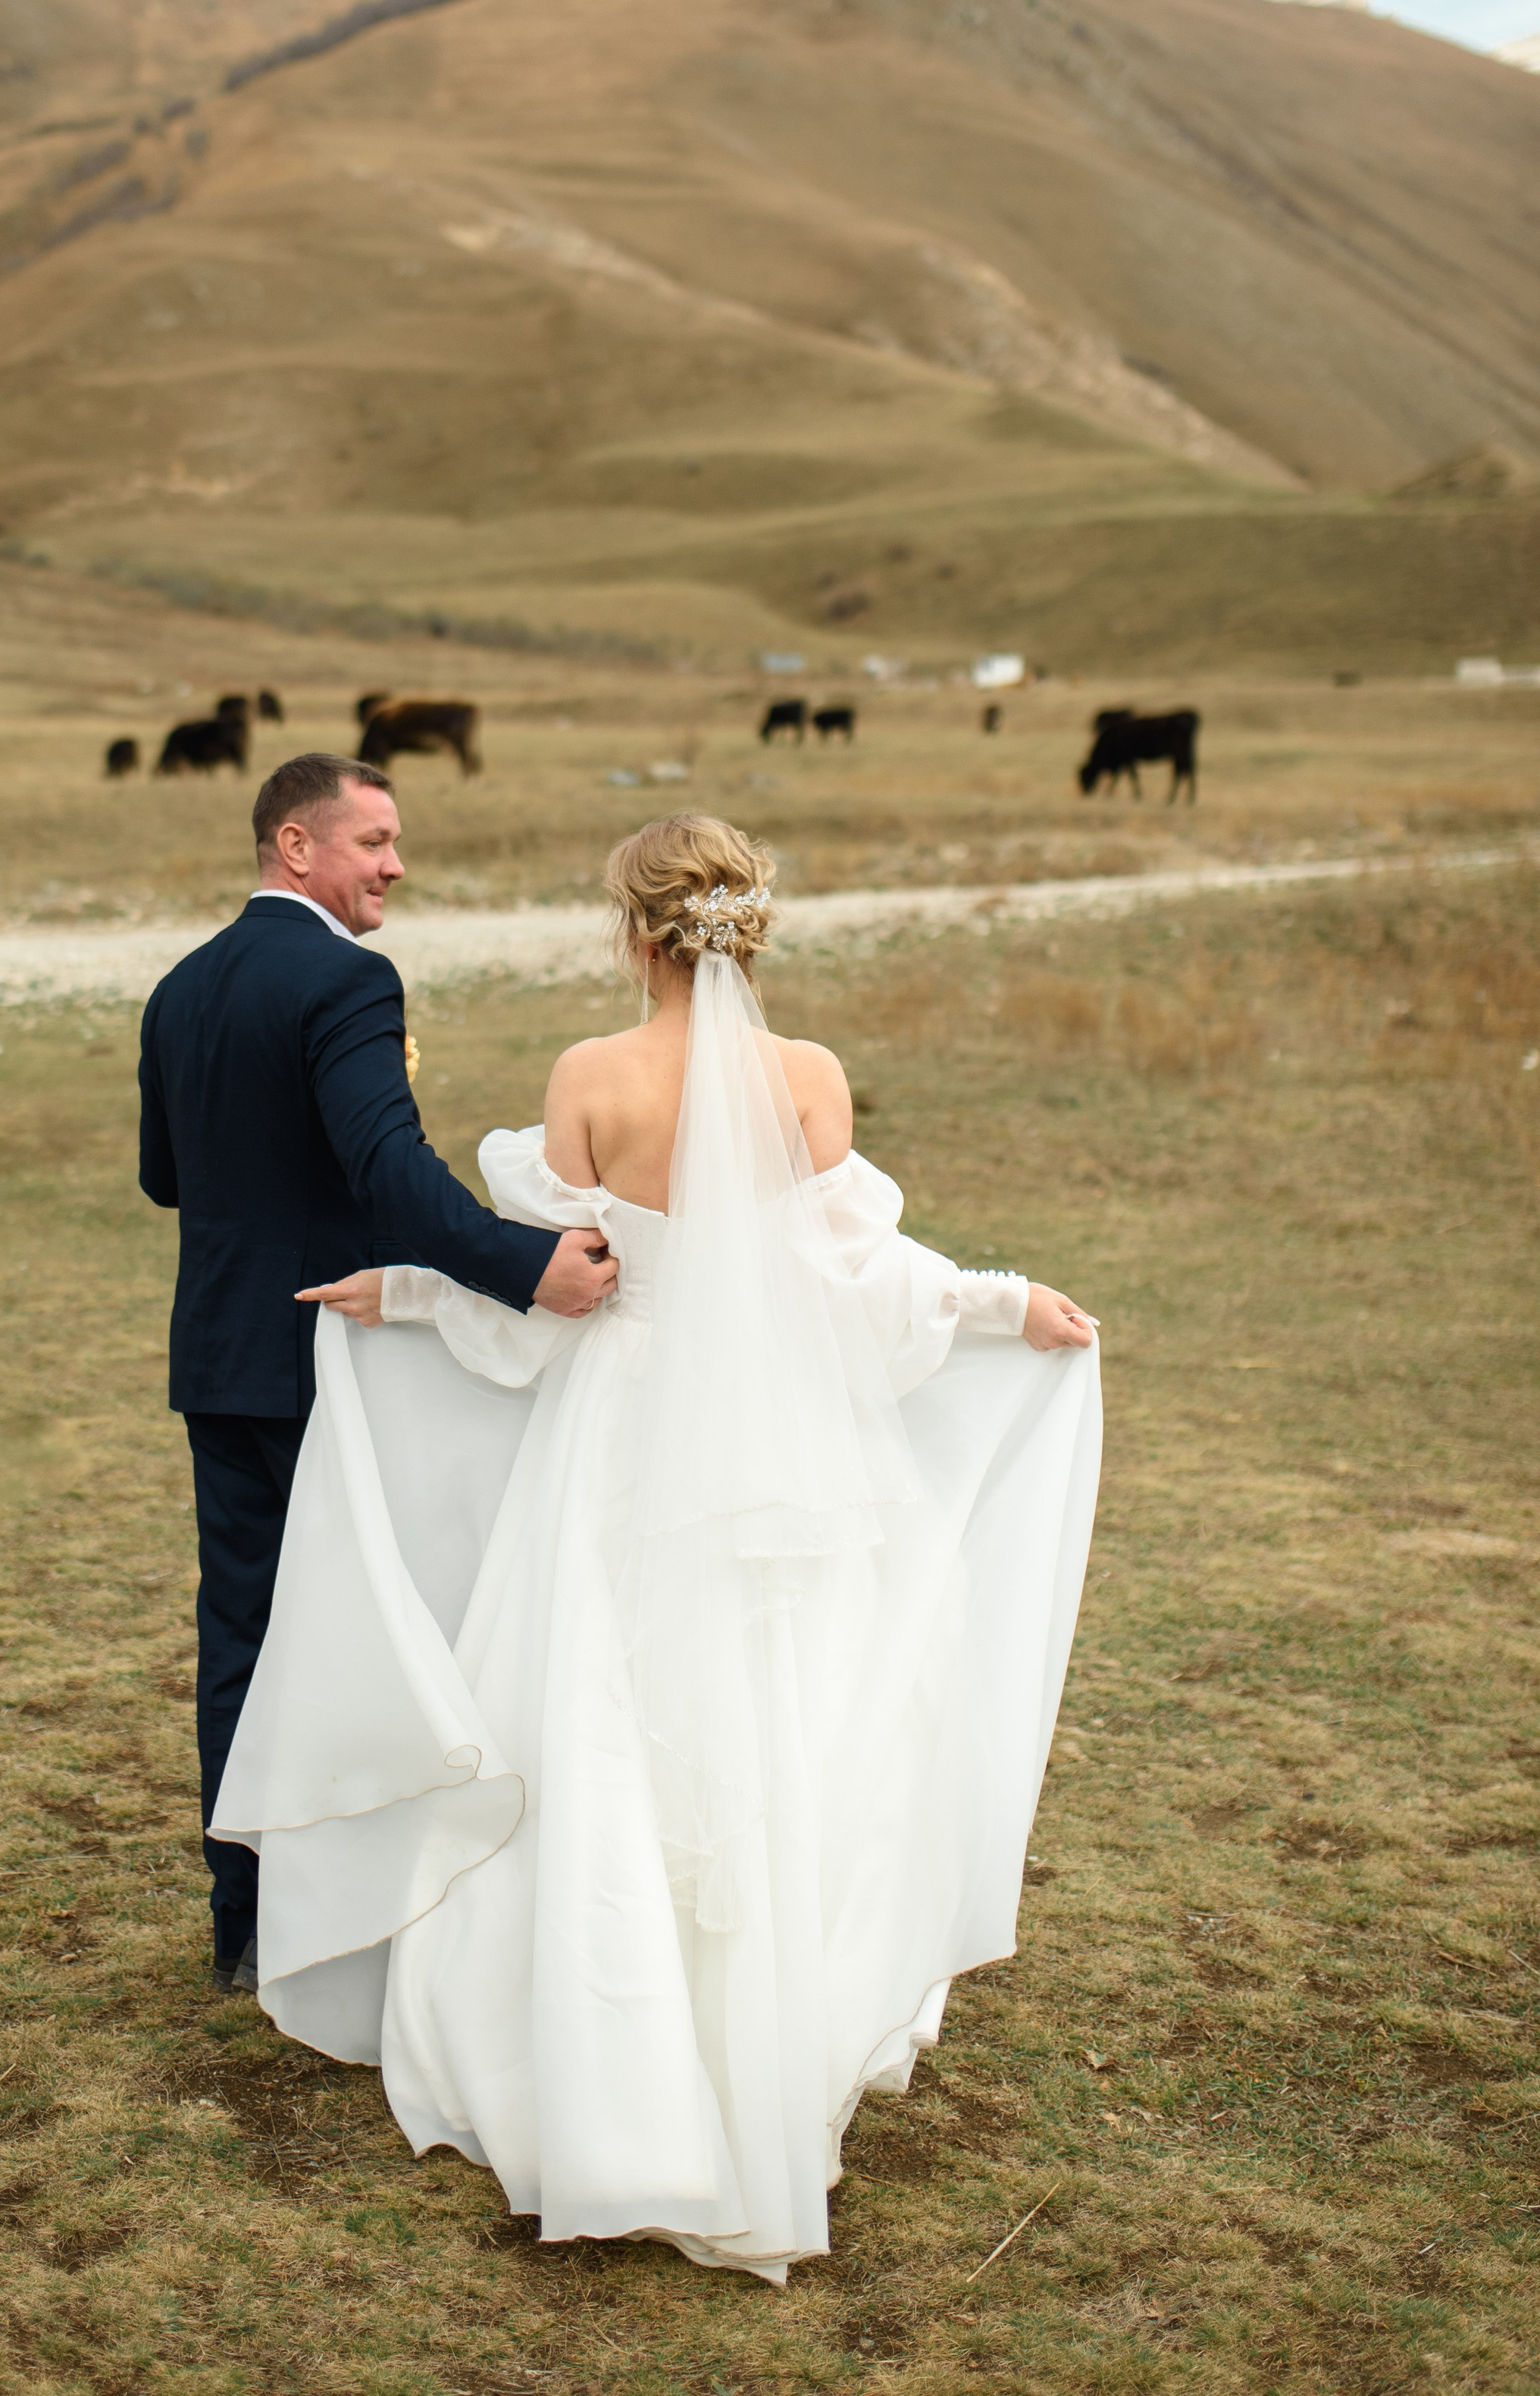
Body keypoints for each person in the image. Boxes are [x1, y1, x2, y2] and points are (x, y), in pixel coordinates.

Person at [210, 812, 1102, 2282]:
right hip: (777, 1455)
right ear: (746, 928)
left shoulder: (591, 1079)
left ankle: (604, 2072)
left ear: (631, 931)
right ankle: (759, 2048)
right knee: (761, 1723)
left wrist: (412, 1295)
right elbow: (856, 1284)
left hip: (622, 1439)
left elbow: (548, 1291)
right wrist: (1004, 1302)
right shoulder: (805, 1079)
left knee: (599, 1724)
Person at [137, 753, 617, 1997]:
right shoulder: (348, 980)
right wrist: (526, 1264)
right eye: (375, 842)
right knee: (366, 1633)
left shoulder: (181, 988)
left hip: (220, 1354)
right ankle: (352, 1921)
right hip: (330, 1362)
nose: (397, 866)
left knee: (241, 1636)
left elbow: (166, 1177)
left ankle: (243, 1924)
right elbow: (391, 1175)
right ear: (297, 848)